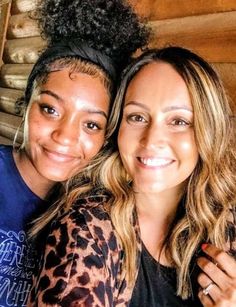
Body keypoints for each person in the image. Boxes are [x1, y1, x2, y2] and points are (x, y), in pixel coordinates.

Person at [29, 46, 236, 307]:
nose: (151, 140)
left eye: (179, 121)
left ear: (209, 130)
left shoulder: (226, 223)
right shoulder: (87, 233)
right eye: (137, 117)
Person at [0, 0, 149, 306]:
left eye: (91, 124)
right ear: (27, 103)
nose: (65, 136)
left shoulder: (96, 217)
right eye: (50, 109)